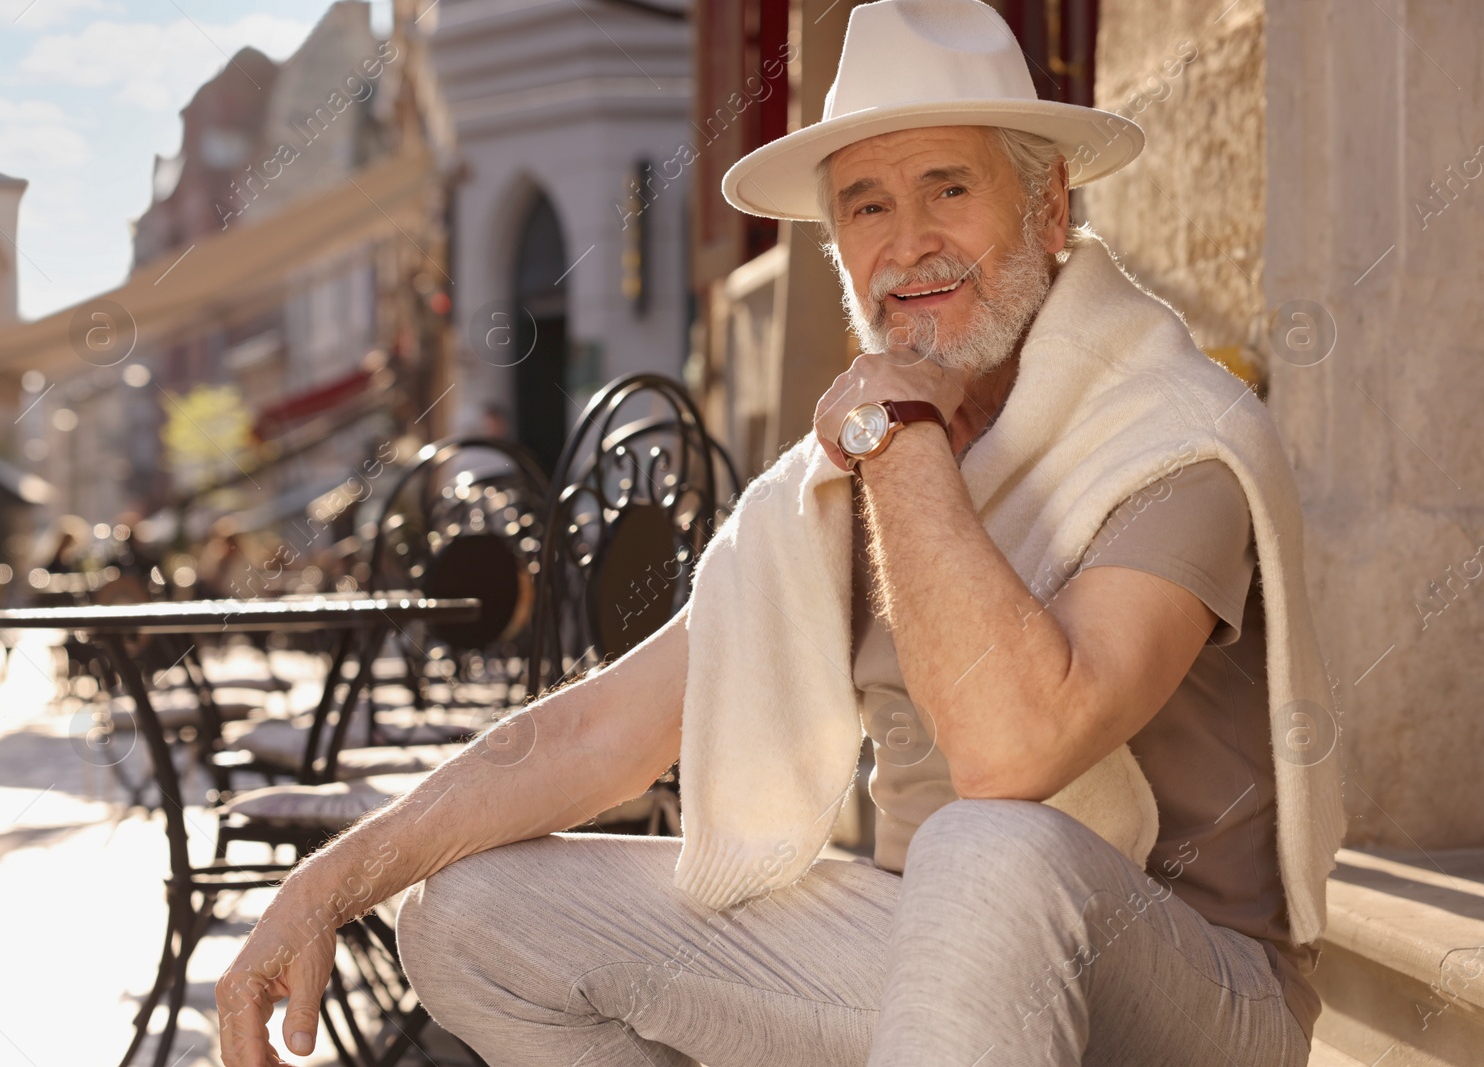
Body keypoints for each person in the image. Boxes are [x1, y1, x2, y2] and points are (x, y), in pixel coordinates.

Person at [216, 2, 1343, 1064]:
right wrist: (328, 884)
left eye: (948, 187)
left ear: (1048, 212)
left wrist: (898, 432)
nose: (908, 245)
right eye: (864, 204)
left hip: (1195, 991)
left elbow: (1015, 750)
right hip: (933, 959)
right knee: (471, 914)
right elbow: (597, 732)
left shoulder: (1169, 438)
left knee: (984, 841)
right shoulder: (834, 482)